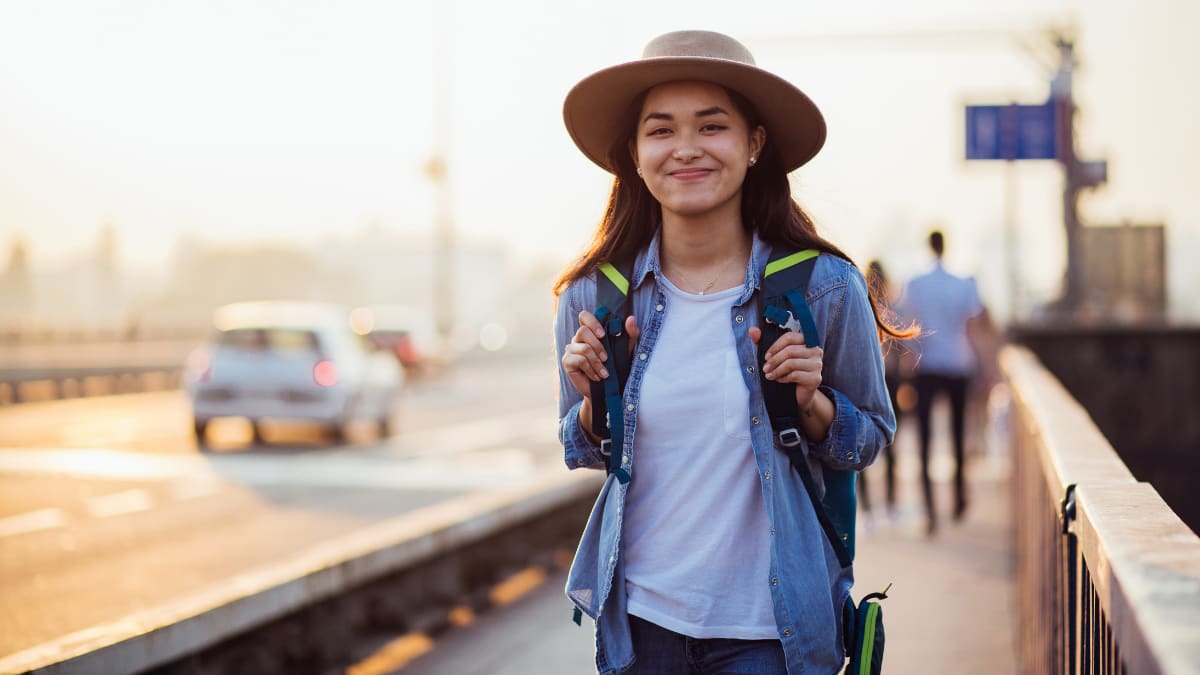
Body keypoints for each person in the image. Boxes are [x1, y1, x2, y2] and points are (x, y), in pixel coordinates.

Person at [553, 31, 908, 675]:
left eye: (711, 126)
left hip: (772, 632)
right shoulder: (594, 295)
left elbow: (871, 438)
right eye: (660, 131)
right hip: (641, 626)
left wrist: (813, 405)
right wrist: (590, 404)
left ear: (754, 144)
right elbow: (581, 449)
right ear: (634, 153)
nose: (685, 148)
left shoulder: (824, 287)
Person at [897, 230, 987, 535]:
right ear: (946, 246)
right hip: (958, 364)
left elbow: (907, 327)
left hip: (927, 366)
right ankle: (959, 499)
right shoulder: (963, 284)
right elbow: (974, 326)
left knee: (924, 440)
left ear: (927, 245)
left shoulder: (915, 284)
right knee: (958, 435)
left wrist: (909, 358)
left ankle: (930, 510)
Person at [858, 260, 904, 522]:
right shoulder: (893, 308)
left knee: (862, 444)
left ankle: (868, 509)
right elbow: (900, 353)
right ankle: (890, 504)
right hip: (891, 381)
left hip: (864, 381)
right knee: (891, 445)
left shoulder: (858, 305)